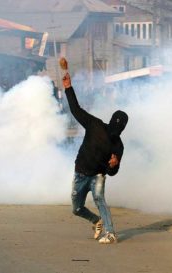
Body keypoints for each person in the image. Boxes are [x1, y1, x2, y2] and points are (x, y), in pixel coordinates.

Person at [62, 72, 128, 244]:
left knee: (100, 199)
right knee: (76, 209)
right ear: (111, 121)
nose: (116, 130)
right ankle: (96, 221)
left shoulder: (118, 146)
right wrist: (68, 87)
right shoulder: (95, 125)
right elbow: (76, 110)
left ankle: (110, 232)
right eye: (115, 125)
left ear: (122, 129)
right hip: (81, 172)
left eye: (119, 128)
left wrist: (113, 166)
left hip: (98, 175)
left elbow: (113, 172)